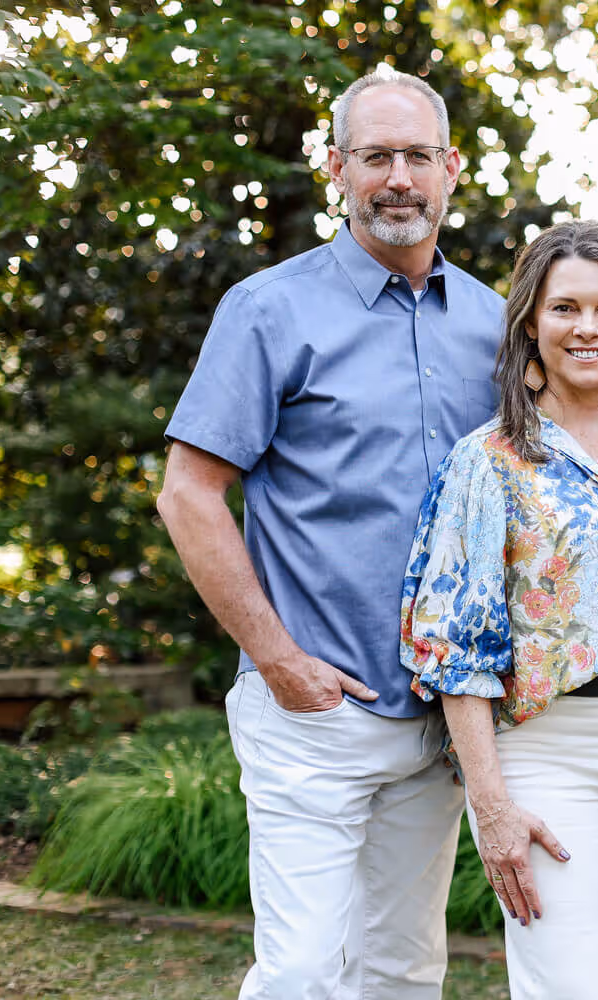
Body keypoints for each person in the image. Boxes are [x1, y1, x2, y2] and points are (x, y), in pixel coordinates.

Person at [155, 69, 505, 998]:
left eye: (417, 156)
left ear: (451, 169)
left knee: (403, 969)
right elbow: (189, 493)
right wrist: (276, 660)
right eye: (376, 156)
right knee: (305, 971)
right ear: (337, 168)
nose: (399, 177)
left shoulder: (496, 324)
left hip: (438, 715)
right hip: (313, 709)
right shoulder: (270, 309)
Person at [400, 219, 598, 1000]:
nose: (588, 328)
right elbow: (453, 647)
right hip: (546, 747)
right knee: (570, 982)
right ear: (531, 324)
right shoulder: (490, 460)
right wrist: (490, 804)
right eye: (565, 308)